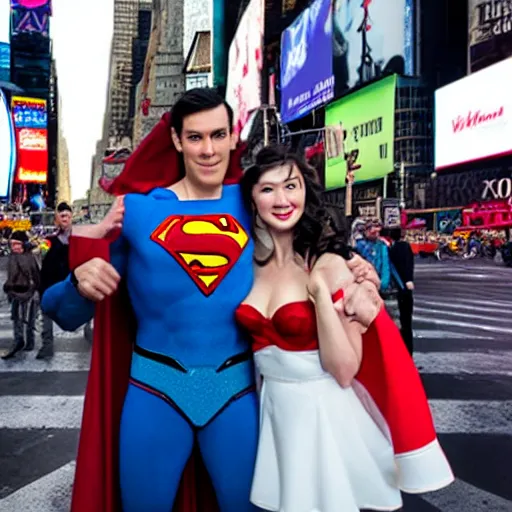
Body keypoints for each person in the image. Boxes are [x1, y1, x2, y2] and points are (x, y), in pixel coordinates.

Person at [41, 88, 381, 512]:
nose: (208, 149)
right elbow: (62, 312)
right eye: (196, 137)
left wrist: (358, 275)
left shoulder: (256, 202)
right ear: (177, 140)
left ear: (234, 137)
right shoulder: (137, 213)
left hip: (237, 394)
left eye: (218, 135)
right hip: (155, 391)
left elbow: (313, 248)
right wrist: (78, 280)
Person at [236, 146, 454, 512]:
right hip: (271, 411)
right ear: (252, 198)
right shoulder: (244, 263)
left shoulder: (332, 264)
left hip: (323, 414)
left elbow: (344, 370)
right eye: (268, 189)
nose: (282, 199)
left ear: (306, 191)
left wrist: (321, 294)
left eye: (291, 186)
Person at [38, 201, 73, 359]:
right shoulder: (49, 239)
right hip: (49, 284)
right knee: (46, 314)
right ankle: (47, 345)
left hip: (70, 283)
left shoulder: (78, 238)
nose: (64, 218)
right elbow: (42, 257)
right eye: (61, 215)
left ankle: (90, 333)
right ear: (57, 219)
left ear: (71, 217)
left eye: (67, 215)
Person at [2, 231, 40, 360]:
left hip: (26, 292)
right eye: (12, 244)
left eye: (17, 244)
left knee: (26, 319)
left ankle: (24, 342)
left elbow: (35, 275)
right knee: (19, 318)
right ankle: (25, 342)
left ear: (23, 244)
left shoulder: (25, 257)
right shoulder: (16, 256)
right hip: (18, 291)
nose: (14, 247)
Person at [389, 228, 415, 355]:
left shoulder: (392, 250)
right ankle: (408, 351)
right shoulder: (406, 247)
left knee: (400, 323)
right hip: (407, 287)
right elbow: (410, 265)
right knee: (407, 322)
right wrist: (409, 279)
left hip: (397, 289)